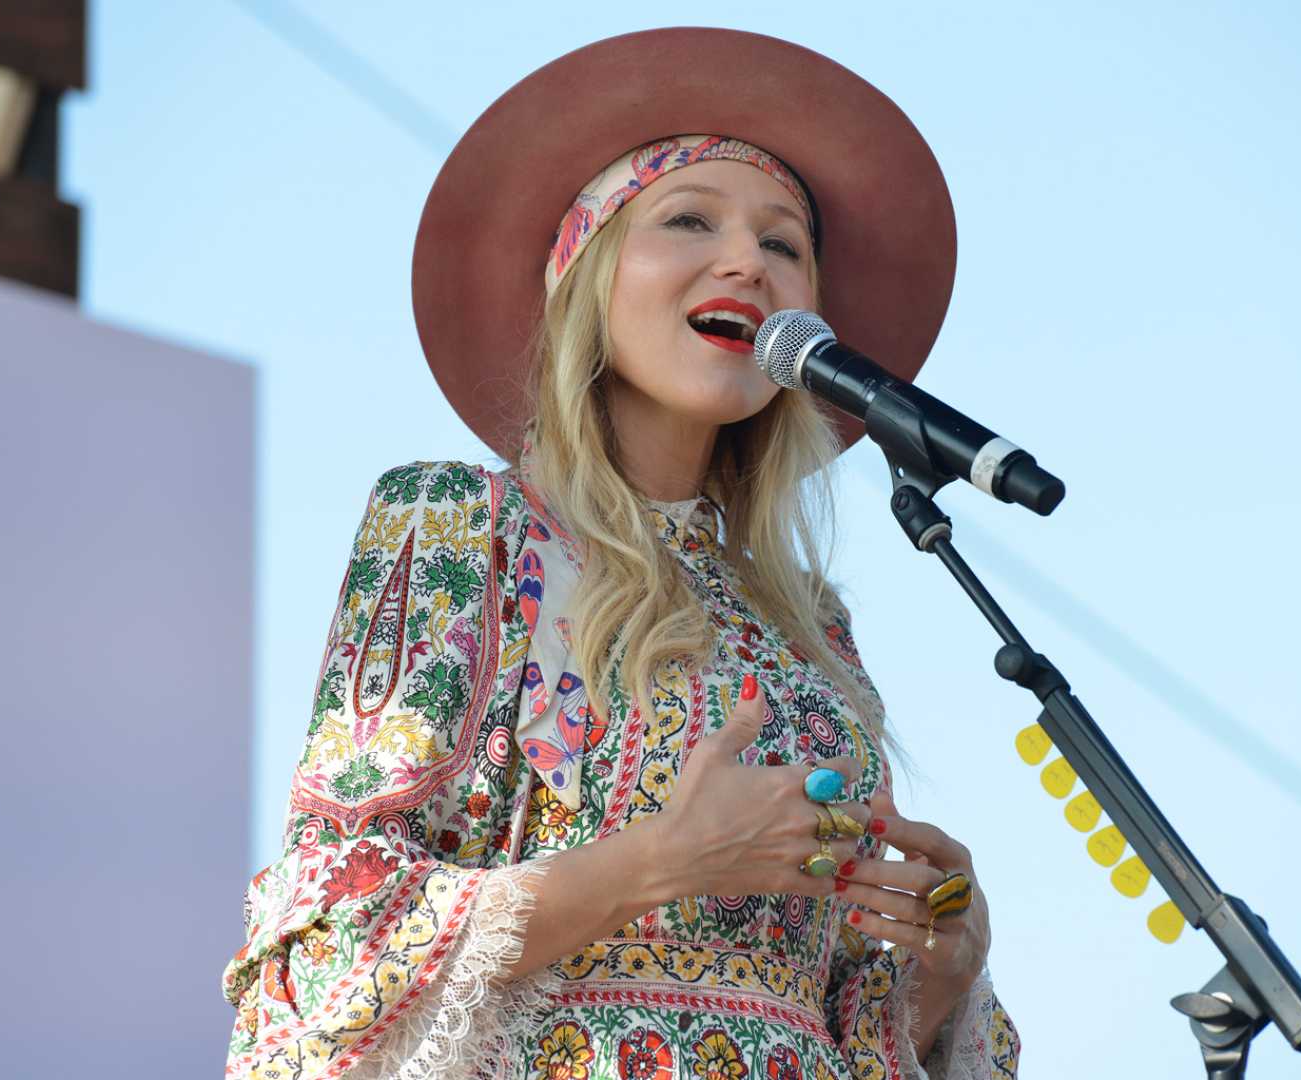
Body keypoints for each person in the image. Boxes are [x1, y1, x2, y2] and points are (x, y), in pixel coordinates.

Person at [222, 27, 1019, 1080]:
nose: (748, 260)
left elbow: (829, 1011)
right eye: (689, 219)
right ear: (584, 279)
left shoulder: (809, 623)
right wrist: (657, 864)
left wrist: (940, 972)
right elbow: (323, 954)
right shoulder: (459, 527)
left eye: (785, 245)